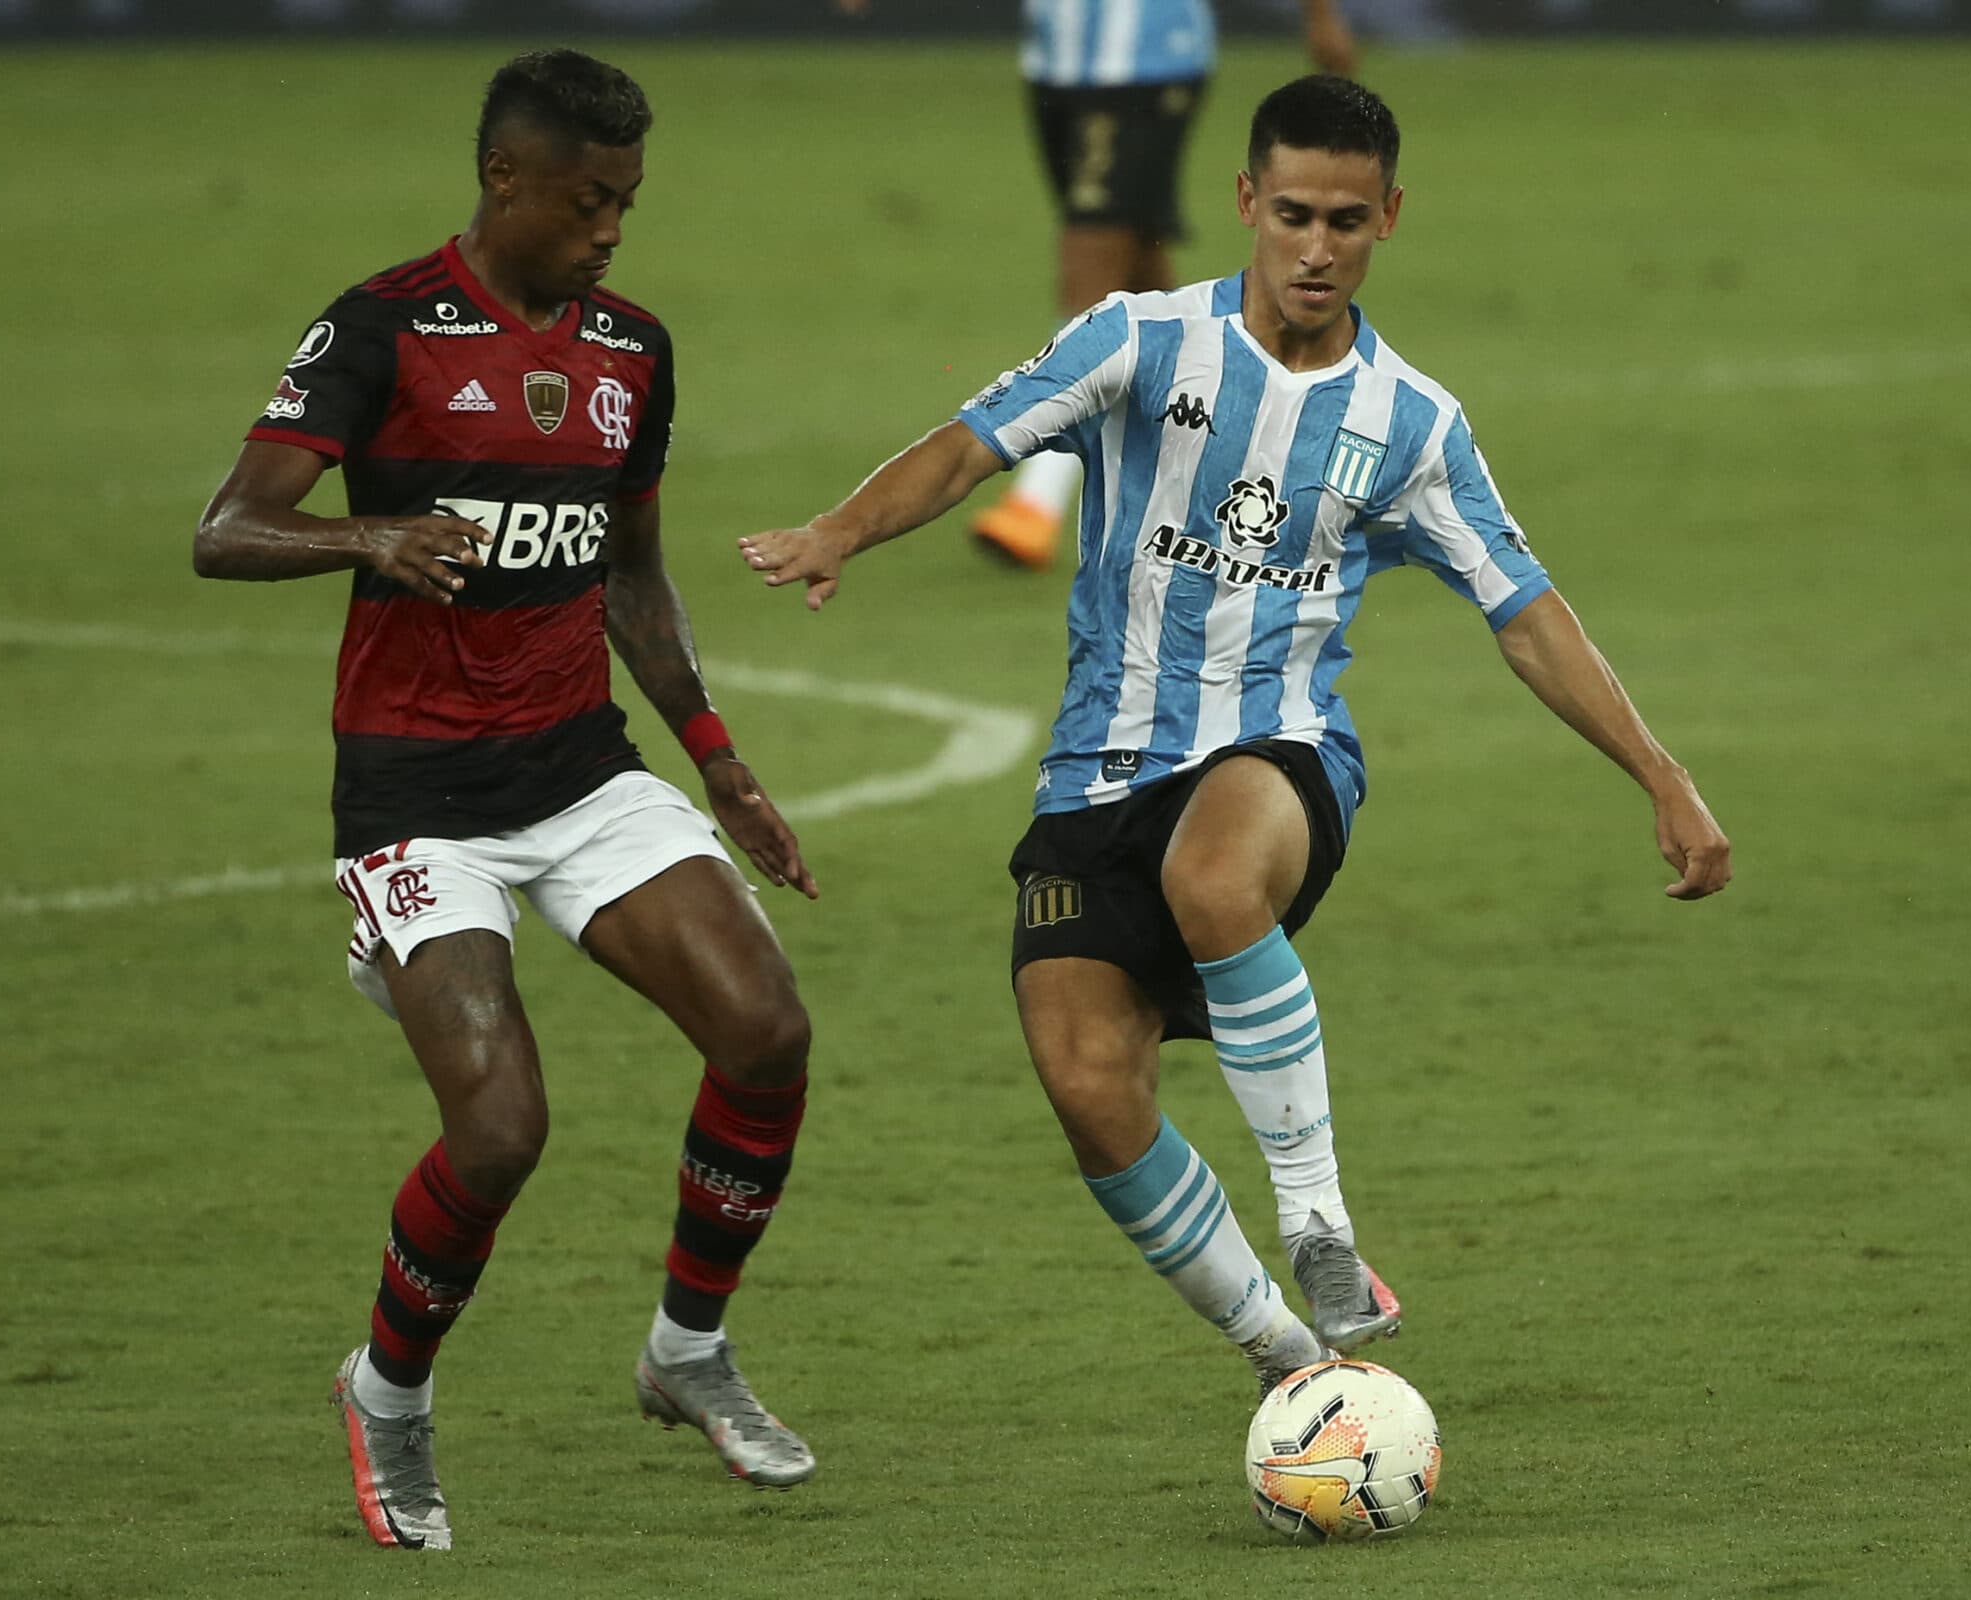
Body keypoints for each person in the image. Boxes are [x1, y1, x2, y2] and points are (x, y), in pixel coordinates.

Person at [739, 76, 1732, 1399]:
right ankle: (1292, 1358)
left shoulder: (1412, 422)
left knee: (1212, 875)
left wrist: (1662, 775)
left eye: (1348, 222)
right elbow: (970, 447)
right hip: (1096, 773)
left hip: (1278, 754)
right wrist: (839, 531)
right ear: (1248, 202)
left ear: (1390, 218)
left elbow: (1525, 611)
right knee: (1090, 1087)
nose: (1318, 248)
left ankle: (1319, 1223)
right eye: (1296, 215)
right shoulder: (1139, 340)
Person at [194, 49, 821, 1550]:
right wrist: (367, 538)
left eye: (628, 202)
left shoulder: (631, 350)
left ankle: (686, 1350)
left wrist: (717, 757)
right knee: (498, 1128)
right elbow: (227, 529)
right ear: (504, 177)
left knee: (767, 1031)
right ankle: (387, 1394)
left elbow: (632, 573)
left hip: (578, 766)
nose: (612, 229)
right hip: (413, 794)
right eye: (589, 200)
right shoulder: (381, 327)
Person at [969, 0, 1358, 571]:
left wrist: (1319, 16)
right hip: (1056, 55)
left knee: (1092, 256)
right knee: (1139, 267)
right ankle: (1227, 446)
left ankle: (1036, 501)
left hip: (1145, 58)